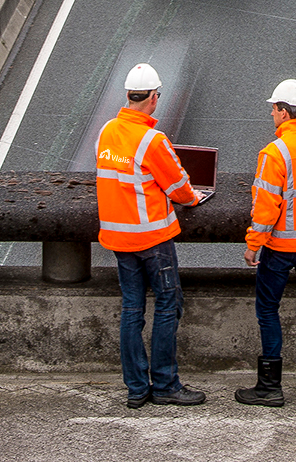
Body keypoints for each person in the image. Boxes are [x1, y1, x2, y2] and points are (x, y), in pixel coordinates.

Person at [95, 62, 207, 409]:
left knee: (131, 309)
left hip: (117, 236)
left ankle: (135, 388)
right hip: (152, 238)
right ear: (154, 98)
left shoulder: (107, 132)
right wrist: (194, 198)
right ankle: (165, 383)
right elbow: (178, 187)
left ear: (129, 95)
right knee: (167, 304)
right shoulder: (151, 139)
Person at [235, 78, 296, 407]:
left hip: (280, 248)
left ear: (284, 113)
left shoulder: (274, 153)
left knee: (267, 310)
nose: (271, 114)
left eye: (274, 109)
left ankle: (270, 386)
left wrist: (253, 244)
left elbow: (265, 207)